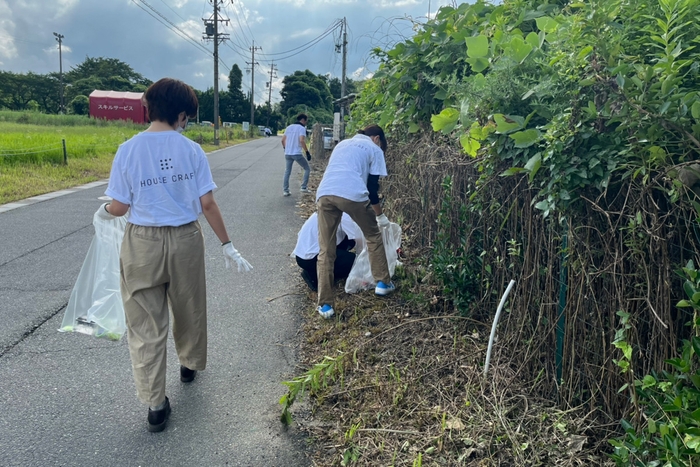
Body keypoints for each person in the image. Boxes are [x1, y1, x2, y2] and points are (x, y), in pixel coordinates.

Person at [96, 77, 252, 433]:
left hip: (141, 244)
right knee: (189, 306)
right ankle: (189, 363)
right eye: (188, 117)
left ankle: (155, 404)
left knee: (145, 324)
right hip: (185, 238)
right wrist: (227, 244)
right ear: (181, 115)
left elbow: (120, 207)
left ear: (150, 108)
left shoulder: (128, 149)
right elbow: (207, 203)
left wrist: (104, 210)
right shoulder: (192, 151)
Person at [314, 124, 395, 319]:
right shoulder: (374, 149)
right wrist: (380, 216)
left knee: (326, 249)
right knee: (372, 235)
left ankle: (325, 306)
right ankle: (383, 283)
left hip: (324, 194)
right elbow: (372, 188)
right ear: (376, 138)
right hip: (353, 194)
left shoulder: (342, 144)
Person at [293, 212, 364, 292]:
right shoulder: (345, 215)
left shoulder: (328, 206)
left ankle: (319, 270)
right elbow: (360, 242)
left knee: (349, 241)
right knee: (354, 262)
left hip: (303, 254)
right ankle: (315, 276)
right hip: (311, 258)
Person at [281, 113, 312, 196]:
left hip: (288, 153)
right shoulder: (301, 128)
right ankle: (303, 187)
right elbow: (301, 140)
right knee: (307, 168)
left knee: (287, 171)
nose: (306, 122)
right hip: (296, 153)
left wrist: (285, 148)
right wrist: (307, 152)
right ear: (303, 120)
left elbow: (283, 140)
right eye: (306, 121)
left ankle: (285, 190)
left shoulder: (289, 127)